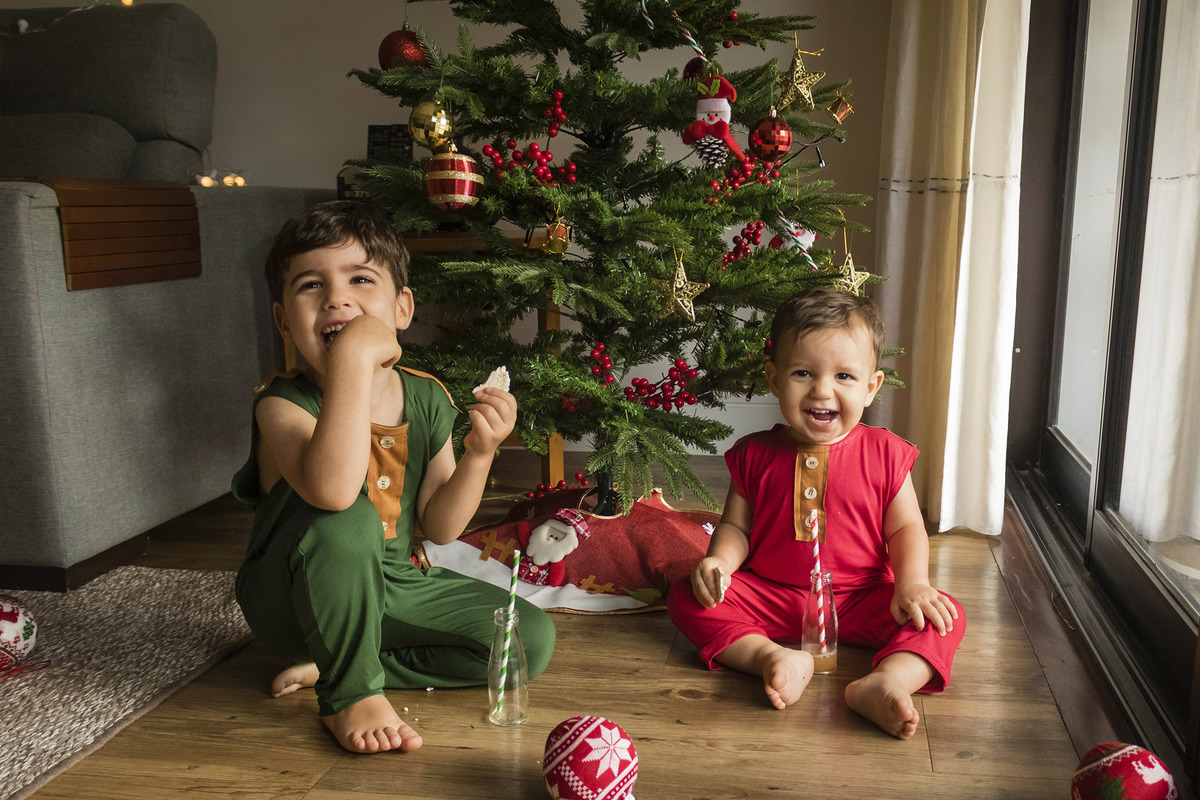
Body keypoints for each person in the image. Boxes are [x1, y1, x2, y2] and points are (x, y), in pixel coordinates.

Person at [232, 200, 555, 754]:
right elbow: (333, 492)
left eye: (360, 279)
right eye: (311, 285)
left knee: (528, 640)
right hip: (291, 597)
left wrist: (479, 454)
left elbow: (441, 526)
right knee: (349, 516)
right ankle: (351, 693)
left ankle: (348, 663)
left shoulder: (425, 396)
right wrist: (353, 360)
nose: (336, 298)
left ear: (402, 308)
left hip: (395, 585)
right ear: (285, 322)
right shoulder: (281, 404)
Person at [667, 287, 964, 740]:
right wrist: (720, 563)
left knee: (945, 616)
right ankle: (771, 656)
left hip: (860, 598)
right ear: (774, 378)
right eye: (803, 372)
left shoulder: (886, 453)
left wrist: (913, 584)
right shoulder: (753, 454)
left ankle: (888, 681)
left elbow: (906, 527)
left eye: (844, 376)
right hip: (772, 595)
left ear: (871, 387)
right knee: (687, 597)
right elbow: (736, 527)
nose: (822, 390)